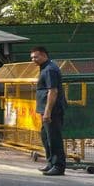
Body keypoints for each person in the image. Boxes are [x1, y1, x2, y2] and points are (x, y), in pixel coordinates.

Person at [30, 45, 67, 176]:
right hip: (45, 109)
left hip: (52, 110)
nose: (33, 59)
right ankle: (51, 163)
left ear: (44, 55)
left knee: (54, 138)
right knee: (46, 137)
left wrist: (47, 112)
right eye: (32, 57)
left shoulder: (50, 69)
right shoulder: (45, 68)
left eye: (36, 56)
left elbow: (53, 91)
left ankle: (58, 166)